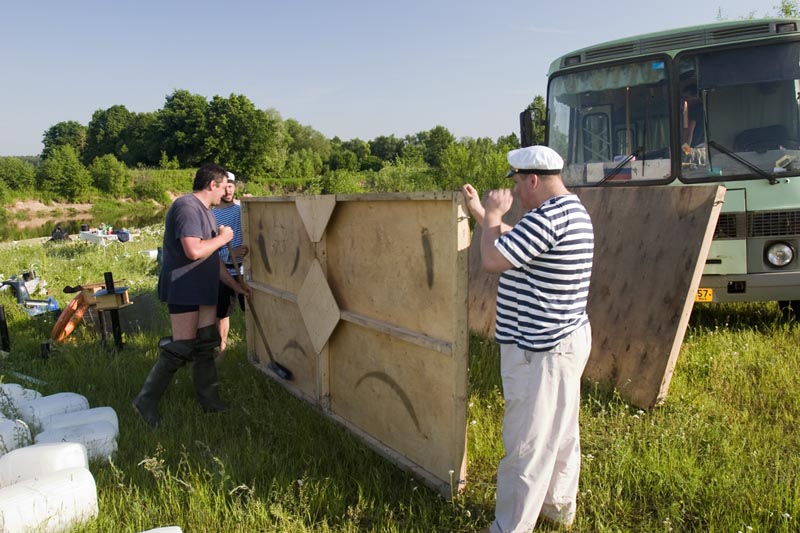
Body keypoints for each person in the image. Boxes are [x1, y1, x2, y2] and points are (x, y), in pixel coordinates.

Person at [463, 145, 594, 533]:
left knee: (527, 444)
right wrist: (481, 213)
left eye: (519, 183)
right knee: (561, 431)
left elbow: (492, 259)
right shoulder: (568, 211)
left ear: (534, 180)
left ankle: (509, 527)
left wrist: (492, 215)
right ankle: (557, 508)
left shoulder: (546, 218)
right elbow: (513, 244)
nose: (516, 191)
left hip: (540, 351)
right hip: (562, 341)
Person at [133, 163, 249, 428]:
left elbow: (213, 259)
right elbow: (194, 251)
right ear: (212, 185)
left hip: (204, 286)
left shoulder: (207, 212)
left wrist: (235, 286)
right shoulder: (186, 207)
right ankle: (145, 401)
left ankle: (210, 401)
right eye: (223, 187)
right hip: (185, 286)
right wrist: (224, 237)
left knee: (205, 344)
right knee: (181, 347)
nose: (225, 193)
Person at [212, 171, 249, 354]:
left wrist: (253, 203)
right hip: (224, 271)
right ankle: (222, 349)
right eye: (225, 186)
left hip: (247, 269)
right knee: (223, 313)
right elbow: (210, 246)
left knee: (251, 309)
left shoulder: (243, 208)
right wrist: (230, 253)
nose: (228, 191)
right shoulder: (212, 214)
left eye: (231, 186)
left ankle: (254, 347)